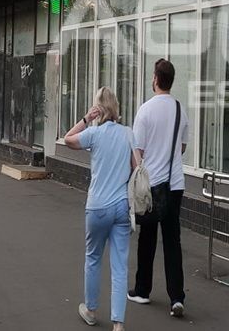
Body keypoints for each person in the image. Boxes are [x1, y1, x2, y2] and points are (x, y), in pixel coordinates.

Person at [64, 87, 139, 331]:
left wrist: (86, 119)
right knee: (120, 266)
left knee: (93, 258)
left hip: (97, 207)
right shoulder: (128, 133)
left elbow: (68, 139)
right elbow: (137, 167)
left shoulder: (93, 134)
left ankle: (91, 310)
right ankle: (118, 323)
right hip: (121, 207)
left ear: (98, 108)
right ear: (116, 107)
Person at [128, 59, 189, 318]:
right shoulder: (180, 110)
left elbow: (137, 152)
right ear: (171, 81)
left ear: (155, 79)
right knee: (173, 241)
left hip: (151, 186)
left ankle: (142, 290)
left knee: (147, 238)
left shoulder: (145, 110)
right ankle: (177, 298)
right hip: (175, 185)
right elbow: (182, 148)